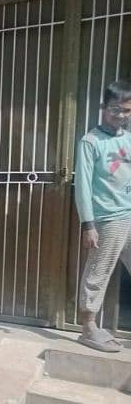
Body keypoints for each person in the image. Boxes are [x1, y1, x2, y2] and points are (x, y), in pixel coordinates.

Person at [75, 79, 131, 352]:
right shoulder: (91, 142)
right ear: (103, 108)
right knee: (98, 272)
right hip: (107, 218)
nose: (119, 115)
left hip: (130, 213)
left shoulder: (128, 138)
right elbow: (83, 185)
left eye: (126, 110)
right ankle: (88, 327)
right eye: (114, 109)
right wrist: (89, 223)